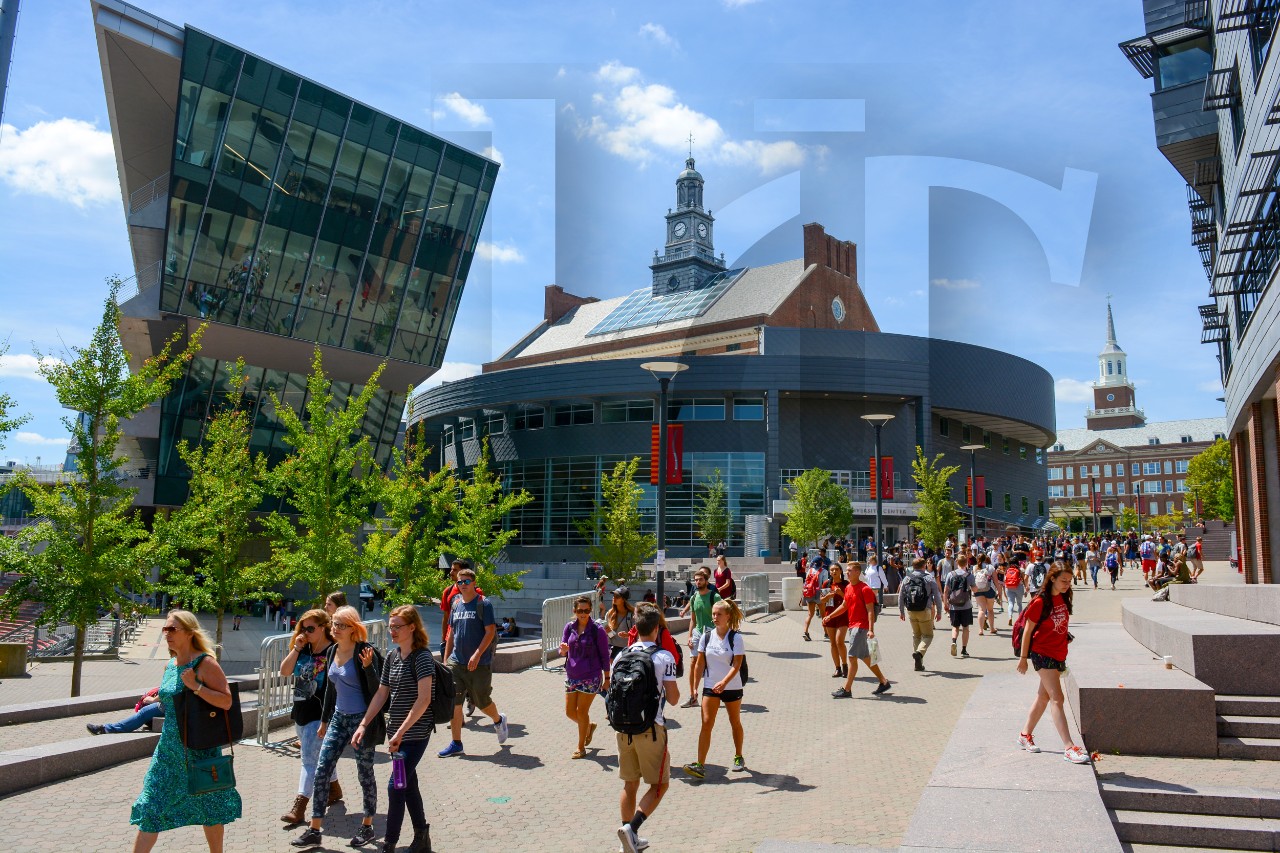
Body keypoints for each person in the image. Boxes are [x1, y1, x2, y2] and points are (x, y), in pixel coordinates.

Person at [130, 610, 241, 853]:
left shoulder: (205, 663)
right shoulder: (171, 664)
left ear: (190, 633)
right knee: (151, 806)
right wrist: (156, 699)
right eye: (165, 629)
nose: (167, 634)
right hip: (168, 752)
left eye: (173, 629)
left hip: (199, 749)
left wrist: (197, 686)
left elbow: (226, 701)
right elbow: (174, 697)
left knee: (209, 807)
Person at [292, 606, 382, 849]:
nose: (335, 628)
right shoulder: (332, 651)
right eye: (334, 624)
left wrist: (368, 669)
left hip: (363, 720)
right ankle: (314, 829)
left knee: (365, 773)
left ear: (353, 627)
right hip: (339, 719)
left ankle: (367, 826)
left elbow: (380, 692)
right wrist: (324, 720)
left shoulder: (366, 651)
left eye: (341, 625)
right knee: (322, 770)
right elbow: (331, 689)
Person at [356, 605, 435, 853]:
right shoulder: (392, 656)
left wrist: (400, 733)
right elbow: (382, 693)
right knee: (408, 784)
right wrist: (363, 724)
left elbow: (424, 700)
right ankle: (422, 837)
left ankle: (389, 844)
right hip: (396, 737)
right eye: (390, 627)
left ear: (412, 627)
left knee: (396, 785)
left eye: (397, 627)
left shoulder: (422, 658)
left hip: (414, 735)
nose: (393, 631)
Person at [611, 603, 680, 853]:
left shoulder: (621, 655)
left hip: (623, 730)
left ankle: (627, 836)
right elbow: (673, 698)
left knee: (630, 784)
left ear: (636, 628)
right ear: (657, 628)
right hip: (651, 729)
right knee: (660, 785)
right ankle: (632, 829)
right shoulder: (663, 657)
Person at [1016, 563, 1090, 765]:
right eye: (1063, 580)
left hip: (1058, 654)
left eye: (1070, 580)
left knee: (1043, 697)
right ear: (1052, 579)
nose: (1067, 584)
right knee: (1057, 698)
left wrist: (1064, 636)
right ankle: (1069, 747)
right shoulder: (1040, 601)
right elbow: (1028, 632)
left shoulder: (1064, 597)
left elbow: (1058, 623)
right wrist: (1023, 659)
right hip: (1042, 654)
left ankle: (1025, 734)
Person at [439, 567, 508, 757]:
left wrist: (477, 654)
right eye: (459, 582)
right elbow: (451, 633)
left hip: (480, 663)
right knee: (455, 702)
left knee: (482, 702)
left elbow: (490, 631)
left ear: (474, 583)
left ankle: (498, 720)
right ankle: (456, 743)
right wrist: (446, 660)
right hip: (456, 662)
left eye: (466, 582)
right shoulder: (455, 604)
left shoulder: (483, 604)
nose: (462, 585)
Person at [278, 609, 339, 825]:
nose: (306, 633)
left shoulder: (334, 651)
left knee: (309, 760)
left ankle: (300, 806)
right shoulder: (304, 652)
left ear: (324, 627)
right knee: (318, 755)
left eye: (311, 629)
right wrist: (297, 647)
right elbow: (284, 671)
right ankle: (335, 788)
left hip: (321, 713)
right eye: (303, 628)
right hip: (301, 711)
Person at [683, 599, 748, 778]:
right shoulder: (706, 636)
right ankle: (700, 764)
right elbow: (699, 663)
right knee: (706, 723)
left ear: (728, 616)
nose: (715, 617)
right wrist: (695, 687)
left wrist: (725, 683)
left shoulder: (736, 638)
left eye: (719, 614)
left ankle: (738, 756)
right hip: (711, 685)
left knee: (734, 722)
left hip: (732, 687)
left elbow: (737, 665)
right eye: (713, 614)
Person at [825, 562, 891, 697]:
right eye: (847, 570)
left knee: (852, 656)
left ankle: (847, 689)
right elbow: (844, 605)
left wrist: (871, 629)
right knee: (865, 657)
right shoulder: (848, 587)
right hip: (852, 626)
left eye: (849, 571)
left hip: (861, 627)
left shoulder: (865, 589)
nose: (846, 573)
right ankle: (884, 682)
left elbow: (870, 611)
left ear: (857, 573)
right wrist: (830, 616)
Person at [559, 595, 611, 758]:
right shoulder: (569, 627)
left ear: (590, 610)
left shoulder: (597, 630)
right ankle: (588, 726)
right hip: (572, 674)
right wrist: (563, 650)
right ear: (574, 611)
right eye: (580, 610)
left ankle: (581, 747)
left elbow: (604, 655)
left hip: (591, 675)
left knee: (581, 712)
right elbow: (562, 650)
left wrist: (607, 678)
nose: (583, 613)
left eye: (586, 610)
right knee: (569, 712)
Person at [678, 569, 719, 708]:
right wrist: (689, 636)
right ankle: (693, 697)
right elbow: (693, 620)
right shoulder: (694, 597)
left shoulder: (714, 596)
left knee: (712, 666)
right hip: (697, 634)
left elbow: (724, 615)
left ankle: (714, 694)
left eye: (700, 580)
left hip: (712, 634)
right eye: (696, 580)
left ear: (706, 581)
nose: (697, 582)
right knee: (693, 663)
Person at [898, 557, 943, 672]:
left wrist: (901, 611)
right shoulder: (928, 578)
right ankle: (919, 653)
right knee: (928, 635)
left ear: (913, 567)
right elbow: (937, 596)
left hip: (911, 610)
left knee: (916, 635)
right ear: (924, 566)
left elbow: (901, 596)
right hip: (925, 610)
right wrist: (939, 611)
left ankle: (918, 664)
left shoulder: (907, 578)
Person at [87, 686, 163, 735]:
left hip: (168, 705)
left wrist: (153, 700)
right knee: (145, 711)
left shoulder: (172, 667)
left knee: (143, 713)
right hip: (171, 704)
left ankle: (107, 729)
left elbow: (167, 690)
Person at [820, 562, 850, 678]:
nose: (834, 572)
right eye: (831, 570)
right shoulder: (827, 584)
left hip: (843, 615)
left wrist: (841, 593)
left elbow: (849, 600)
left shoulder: (846, 584)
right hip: (829, 615)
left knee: (839, 641)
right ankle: (837, 668)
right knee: (832, 643)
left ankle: (845, 665)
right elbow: (822, 600)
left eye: (836, 569)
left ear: (841, 571)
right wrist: (827, 597)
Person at [945, 556, 975, 658]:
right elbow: (975, 590)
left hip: (953, 605)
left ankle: (954, 641)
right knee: (965, 628)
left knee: (955, 626)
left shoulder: (951, 574)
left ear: (957, 562)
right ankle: (964, 649)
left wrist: (945, 603)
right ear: (966, 563)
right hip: (966, 605)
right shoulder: (969, 575)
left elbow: (946, 591)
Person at [799, 555, 826, 642]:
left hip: (809, 593)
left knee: (810, 614)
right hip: (819, 594)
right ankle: (826, 632)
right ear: (821, 563)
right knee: (823, 614)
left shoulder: (810, 570)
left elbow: (806, 581)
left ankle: (805, 632)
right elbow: (824, 584)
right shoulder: (824, 571)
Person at [606, 586, 637, 659]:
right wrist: (608, 632)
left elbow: (637, 634)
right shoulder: (610, 614)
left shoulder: (632, 614)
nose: (614, 598)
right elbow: (611, 636)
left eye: (617, 596)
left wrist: (627, 635)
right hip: (612, 648)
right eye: (613, 596)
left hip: (627, 650)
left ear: (623, 599)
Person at [972, 555, 998, 636]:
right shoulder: (990, 567)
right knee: (990, 610)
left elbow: (972, 579)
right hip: (989, 589)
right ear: (986, 559)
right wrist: (999, 592)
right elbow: (996, 581)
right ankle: (992, 628)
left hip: (978, 590)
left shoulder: (974, 568)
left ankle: (980, 630)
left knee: (981, 610)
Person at [1004, 559, 1027, 624]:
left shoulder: (1007, 570)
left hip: (1009, 587)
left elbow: (1004, 580)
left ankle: (1010, 616)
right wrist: (1026, 589)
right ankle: (1020, 619)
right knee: (1019, 603)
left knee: (1010, 603)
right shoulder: (1021, 570)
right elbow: (1024, 579)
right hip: (1019, 587)